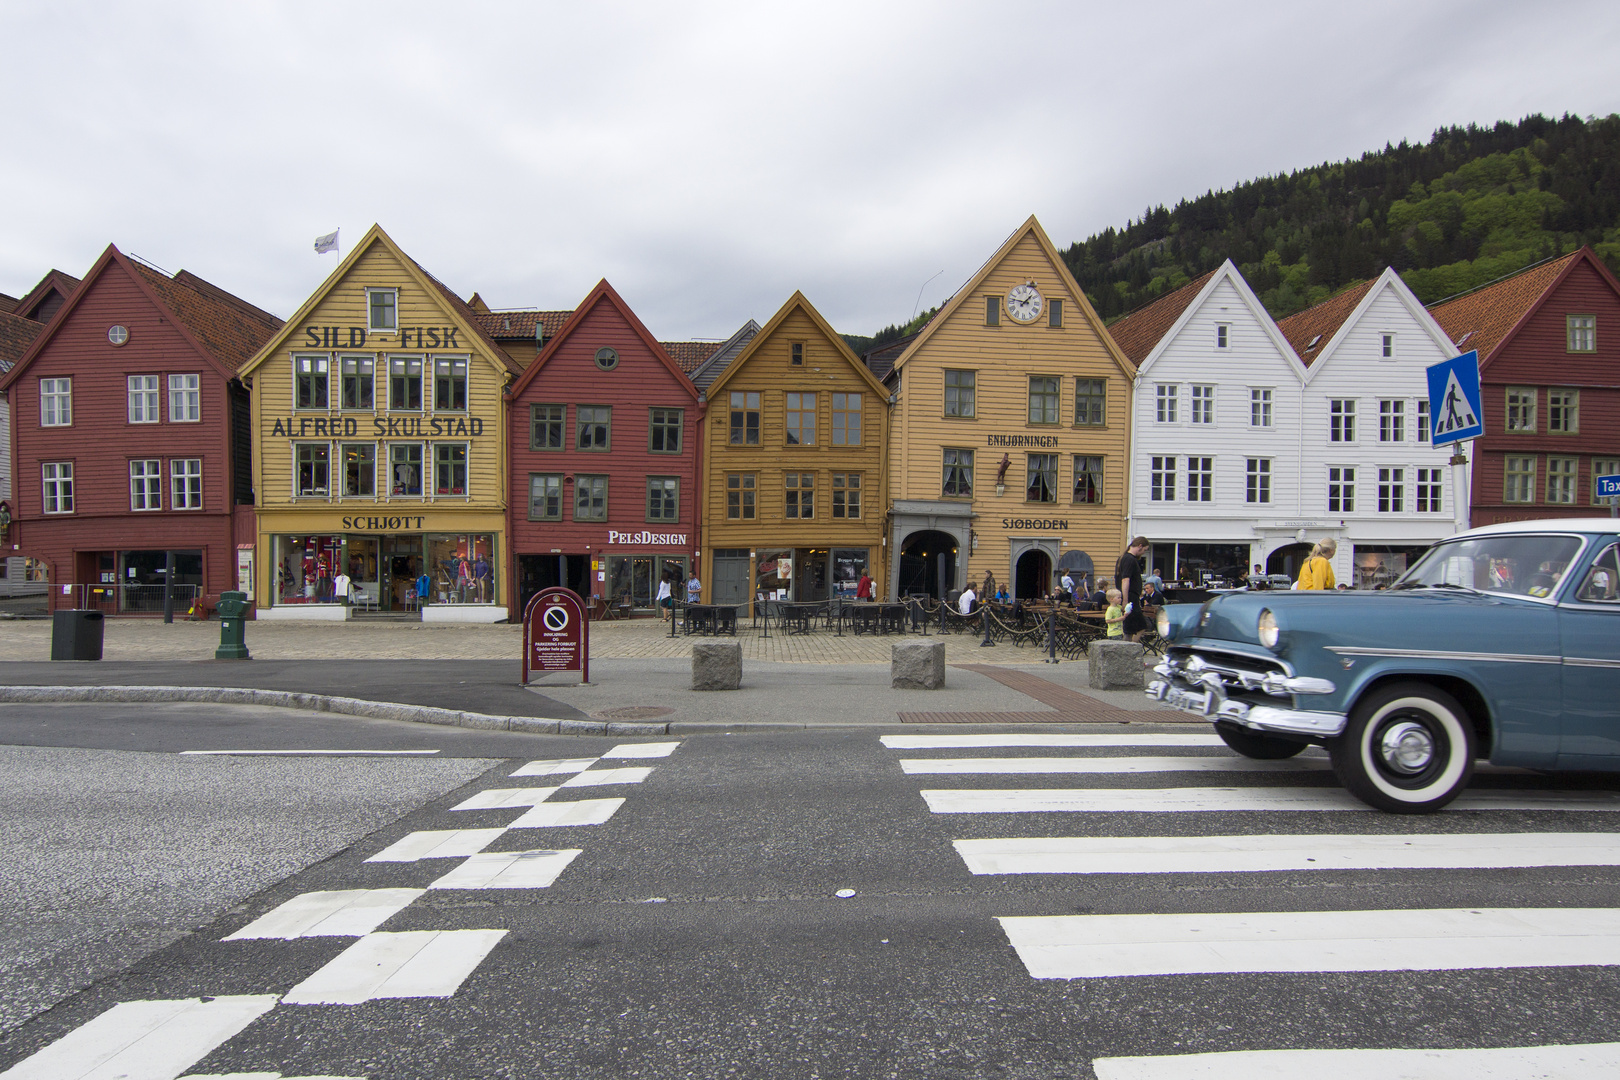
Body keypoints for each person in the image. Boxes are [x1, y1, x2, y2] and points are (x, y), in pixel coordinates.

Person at [1115, 537, 1150, 641]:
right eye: (1144, 550)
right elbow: (1125, 580)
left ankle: (1128, 648)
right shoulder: (1130, 559)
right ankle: (1131, 649)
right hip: (1130, 597)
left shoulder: (1123, 558)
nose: (1143, 552)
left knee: (1129, 628)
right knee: (1141, 626)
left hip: (1130, 596)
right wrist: (1125, 600)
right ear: (1140, 546)